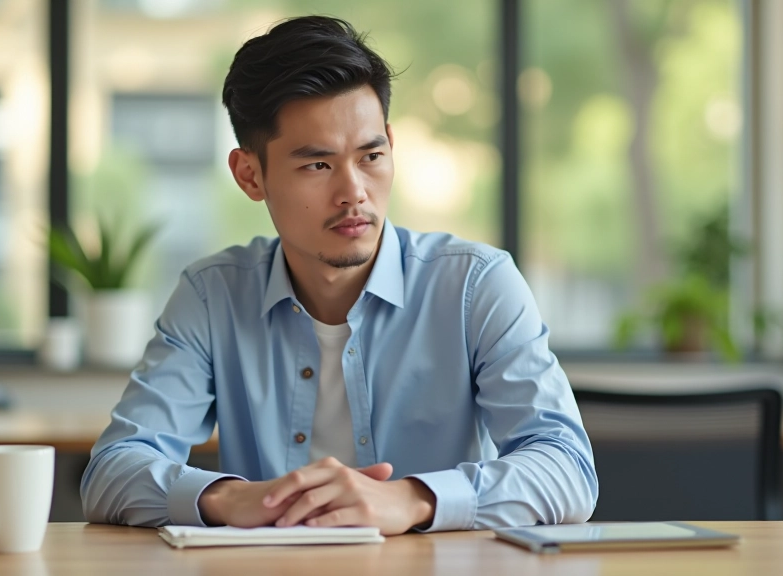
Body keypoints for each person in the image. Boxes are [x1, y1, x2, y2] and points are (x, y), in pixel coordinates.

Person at [81, 15, 597, 535]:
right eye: (318, 165)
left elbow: (567, 468)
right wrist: (229, 497)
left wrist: (415, 500)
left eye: (371, 155)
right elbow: (111, 470)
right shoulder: (212, 295)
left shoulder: (475, 285)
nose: (354, 192)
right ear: (249, 174)